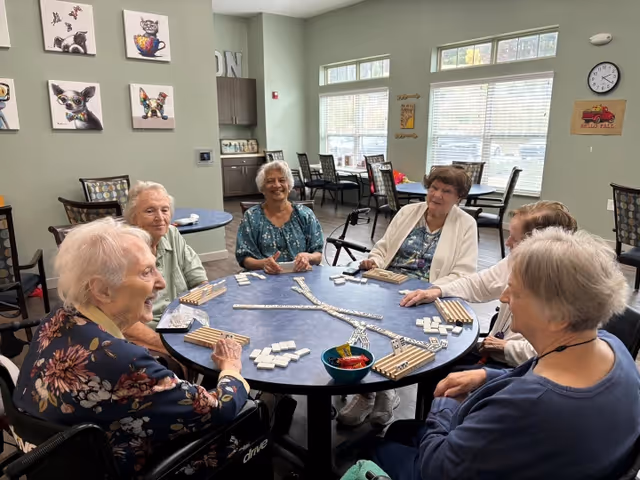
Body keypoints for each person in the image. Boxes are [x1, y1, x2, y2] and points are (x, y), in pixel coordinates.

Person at [372, 228, 640, 480]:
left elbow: (436, 469)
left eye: (515, 291)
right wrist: (487, 375)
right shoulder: (610, 345)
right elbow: (537, 376)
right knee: (400, 430)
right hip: (553, 460)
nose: (503, 297)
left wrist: (445, 404)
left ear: (557, 315)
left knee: (368, 449)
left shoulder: (529, 405)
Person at [13, 218, 249, 478]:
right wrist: (231, 369)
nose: (161, 282)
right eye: (146, 272)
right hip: (121, 466)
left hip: (54, 461)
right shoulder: (122, 362)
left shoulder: (60, 317)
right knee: (252, 411)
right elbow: (219, 408)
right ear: (102, 289)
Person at [339, 166, 478, 428]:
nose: (436, 195)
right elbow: (383, 248)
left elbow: (464, 273)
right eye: (434, 188)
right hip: (387, 285)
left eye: (446, 191)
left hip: (429, 293)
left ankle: (386, 392)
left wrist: (431, 290)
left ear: (459, 197)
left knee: (395, 334)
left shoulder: (466, 224)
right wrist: (374, 261)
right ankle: (367, 393)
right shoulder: (408, 212)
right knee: (361, 327)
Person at [401, 201, 578, 367]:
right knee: (438, 361)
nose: (507, 243)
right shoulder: (516, 259)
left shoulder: (563, 287)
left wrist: (505, 347)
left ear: (539, 246)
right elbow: (479, 284)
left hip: (520, 368)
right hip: (493, 351)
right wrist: (439, 290)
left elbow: (555, 352)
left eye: (515, 239)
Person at [124, 181, 208, 343]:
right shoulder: (123, 250)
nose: (160, 218)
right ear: (133, 217)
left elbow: (198, 278)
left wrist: (203, 317)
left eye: (165, 210)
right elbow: (123, 321)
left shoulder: (172, 234)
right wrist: (166, 347)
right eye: (150, 211)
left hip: (183, 320)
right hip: (148, 329)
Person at [236, 160, 324, 274]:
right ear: (262, 187)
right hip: (263, 280)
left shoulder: (305, 215)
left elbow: (318, 255)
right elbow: (244, 258)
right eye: (270, 181)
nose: (277, 185)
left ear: (289, 185)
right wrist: (263, 264)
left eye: (282, 180)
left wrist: (308, 257)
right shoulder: (252, 217)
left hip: (301, 276)